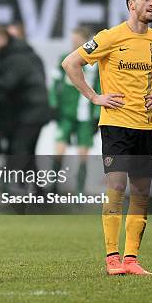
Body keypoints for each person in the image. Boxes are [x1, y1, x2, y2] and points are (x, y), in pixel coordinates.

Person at [62, 0, 152, 276]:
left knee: (141, 193)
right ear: (131, 4)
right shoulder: (110, 37)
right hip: (115, 125)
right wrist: (95, 96)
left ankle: (131, 259)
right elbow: (71, 63)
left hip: (145, 127)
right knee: (116, 188)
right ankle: (112, 258)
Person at [0, 26, 50, 185]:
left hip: (29, 113)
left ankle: (15, 189)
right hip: (27, 112)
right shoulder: (21, 55)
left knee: (18, 150)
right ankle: (38, 193)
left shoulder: (16, 57)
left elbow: (7, 84)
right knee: (26, 152)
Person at [50, 26, 100, 193]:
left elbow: (101, 88)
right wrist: (53, 104)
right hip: (66, 114)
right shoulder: (65, 59)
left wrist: (97, 113)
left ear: (85, 41)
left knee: (83, 155)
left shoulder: (95, 64)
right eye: (72, 40)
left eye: (77, 40)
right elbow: (55, 84)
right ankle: (53, 188)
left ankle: (79, 191)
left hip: (85, 117)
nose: (74, 43)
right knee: (59, 150)